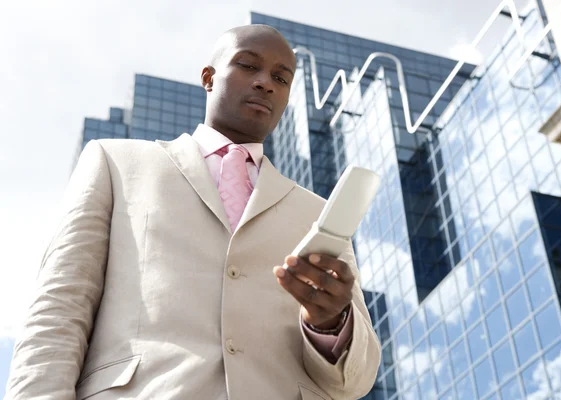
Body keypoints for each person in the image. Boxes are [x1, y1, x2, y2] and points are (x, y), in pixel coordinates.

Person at [5, 24, 381, 400]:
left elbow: (357, 381)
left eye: (281, 78)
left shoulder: (318, 212)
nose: (266, 82)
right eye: (249, 66)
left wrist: (332, 323)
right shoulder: (115, 163)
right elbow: (59, 307)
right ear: (208, 78)